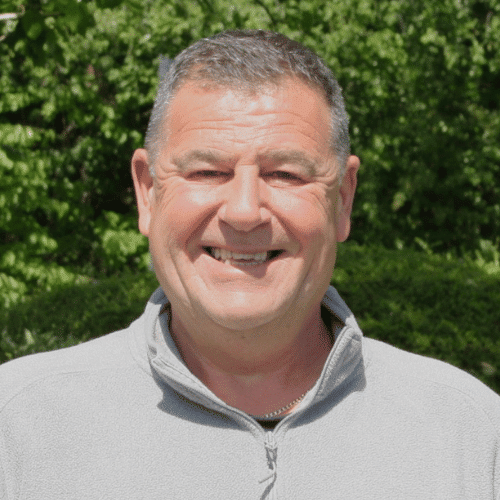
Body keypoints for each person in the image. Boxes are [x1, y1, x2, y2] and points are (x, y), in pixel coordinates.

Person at [1, 30, 499, 500]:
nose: (244, 211)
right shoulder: (18, 428)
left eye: (285, 174)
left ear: (343, 199)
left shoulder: (471, 436)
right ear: (147, 192)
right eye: (207, 171)